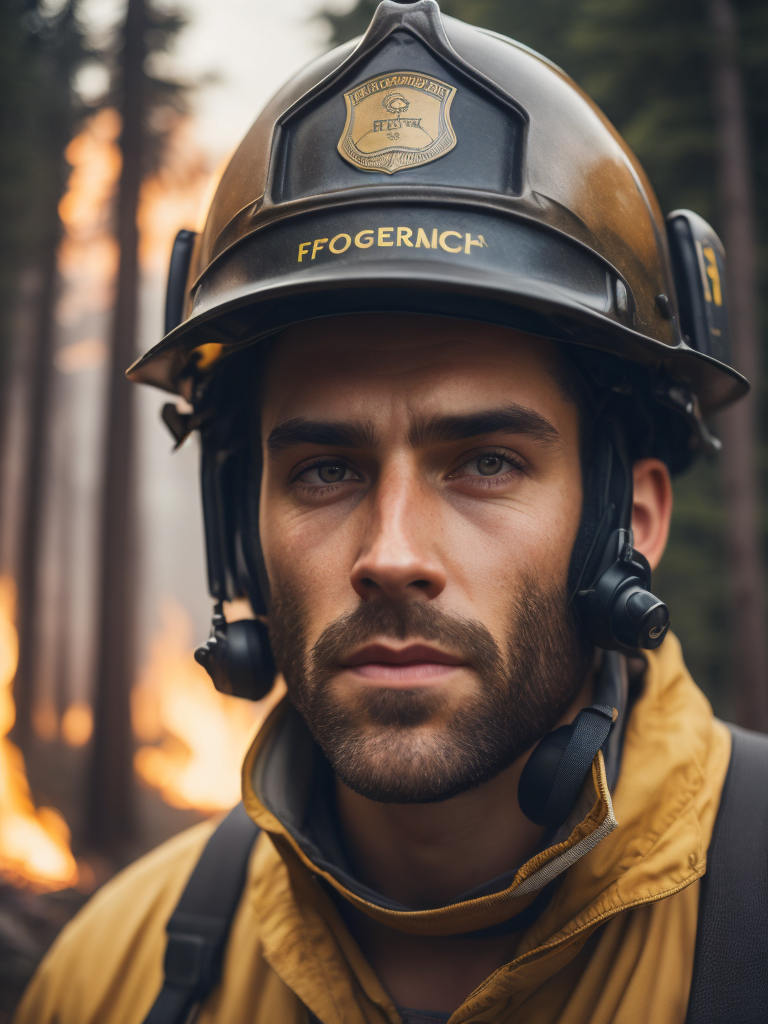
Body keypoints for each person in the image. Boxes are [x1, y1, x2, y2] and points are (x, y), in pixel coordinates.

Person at [15, 2, 768, 1023]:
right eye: (327, 470)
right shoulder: (112, 977)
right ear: (243, 523)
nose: (393, 553)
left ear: (629, 521)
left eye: (487, 462)